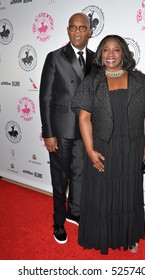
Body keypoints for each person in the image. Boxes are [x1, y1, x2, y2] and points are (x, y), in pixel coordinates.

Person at [72, 35, 145, 254]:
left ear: (124, 53)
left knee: (129, 194)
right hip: (102, 146)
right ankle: (102, 235)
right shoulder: (92, 81)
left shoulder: (140, 80)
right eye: (106, 50)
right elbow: (84, 118)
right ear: (100, 53)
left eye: (116, 50)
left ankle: (129, 236)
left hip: (131, 146)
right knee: (101, 194)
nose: (111, 55)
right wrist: (90, 150)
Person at [39, 13, 94, 244]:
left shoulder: (95, 58)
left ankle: (75, 211)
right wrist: (48, 133)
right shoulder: (54, 57)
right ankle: (59, 222)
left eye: (83, 27)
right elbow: (45, 98)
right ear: (68, 30)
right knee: (60, 179)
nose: (78, 31)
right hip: (60, 132)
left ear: (90, 31)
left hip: (85, 131)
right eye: (74, 27)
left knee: (80, 176)